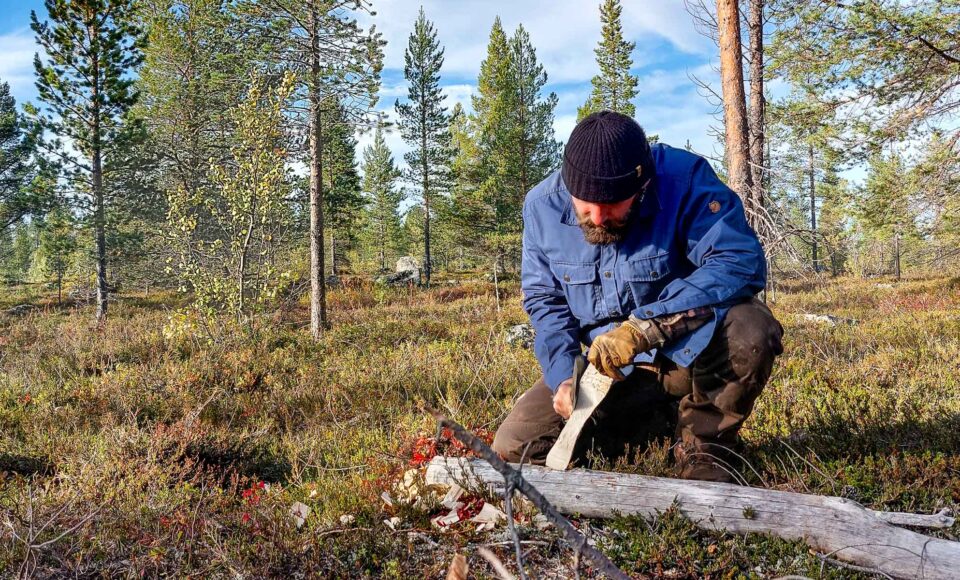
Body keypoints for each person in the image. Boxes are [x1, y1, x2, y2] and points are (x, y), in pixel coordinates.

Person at [491, 111, 784, 482]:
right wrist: (565, 376)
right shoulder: (542, 207)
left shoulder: (685, 181)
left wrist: (646, 327)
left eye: (613, 204)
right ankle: (655, 431)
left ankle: (705, 446)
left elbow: (739, 260)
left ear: (642, 186)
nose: (597, 218)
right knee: (516, 446)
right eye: (585, 205)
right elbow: (545, 302)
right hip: (606, 373)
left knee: (750, 327)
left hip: (688, 358)